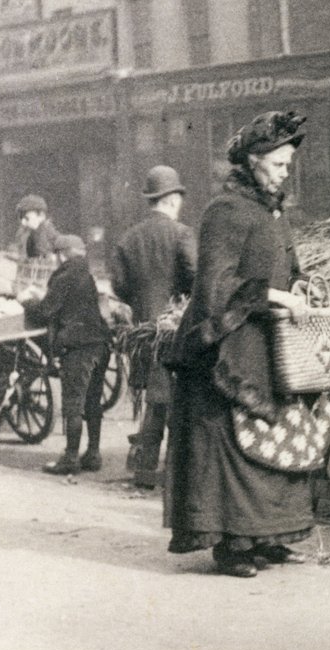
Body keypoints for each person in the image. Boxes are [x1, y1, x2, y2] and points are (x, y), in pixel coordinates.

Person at [165, 111, 316, 578]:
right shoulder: (224, 211)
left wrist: (303, 287)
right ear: (252, 162)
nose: (285, 173)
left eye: (288, 166)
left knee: (271, 442)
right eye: (278, 165)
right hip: (224, 347)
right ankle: (232, 545)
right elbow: (214, 286)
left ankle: (270, 537)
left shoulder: (273, 214)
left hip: (268, 342)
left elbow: (289, 269)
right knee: (231, 448)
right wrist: (275, 296)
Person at [111, 165, 197, 490]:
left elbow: (119, 286)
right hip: (174, 331)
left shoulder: (128, 239)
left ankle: (146, 470)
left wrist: (139, 299)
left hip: (142, 334)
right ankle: (176, 476)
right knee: (176, 402)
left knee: (154, 400)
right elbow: (195, 276)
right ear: (173, 199)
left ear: (152, 200)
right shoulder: (182, 234)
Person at [19, 234, 113, 475]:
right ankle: (93, 454)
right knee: (93, 400)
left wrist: (26, 302)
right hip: (99, 344)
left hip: (77, 347)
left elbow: (46, 310)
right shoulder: (87, 275)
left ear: (61, 255)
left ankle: (70, 458)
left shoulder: (63, 276)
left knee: (73, 404)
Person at [14, 194, 59, 259]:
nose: (23, 223)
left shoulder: (54, 239)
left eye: (27, 218)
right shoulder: (23, 234)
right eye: (21, 218)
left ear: (41, 216)